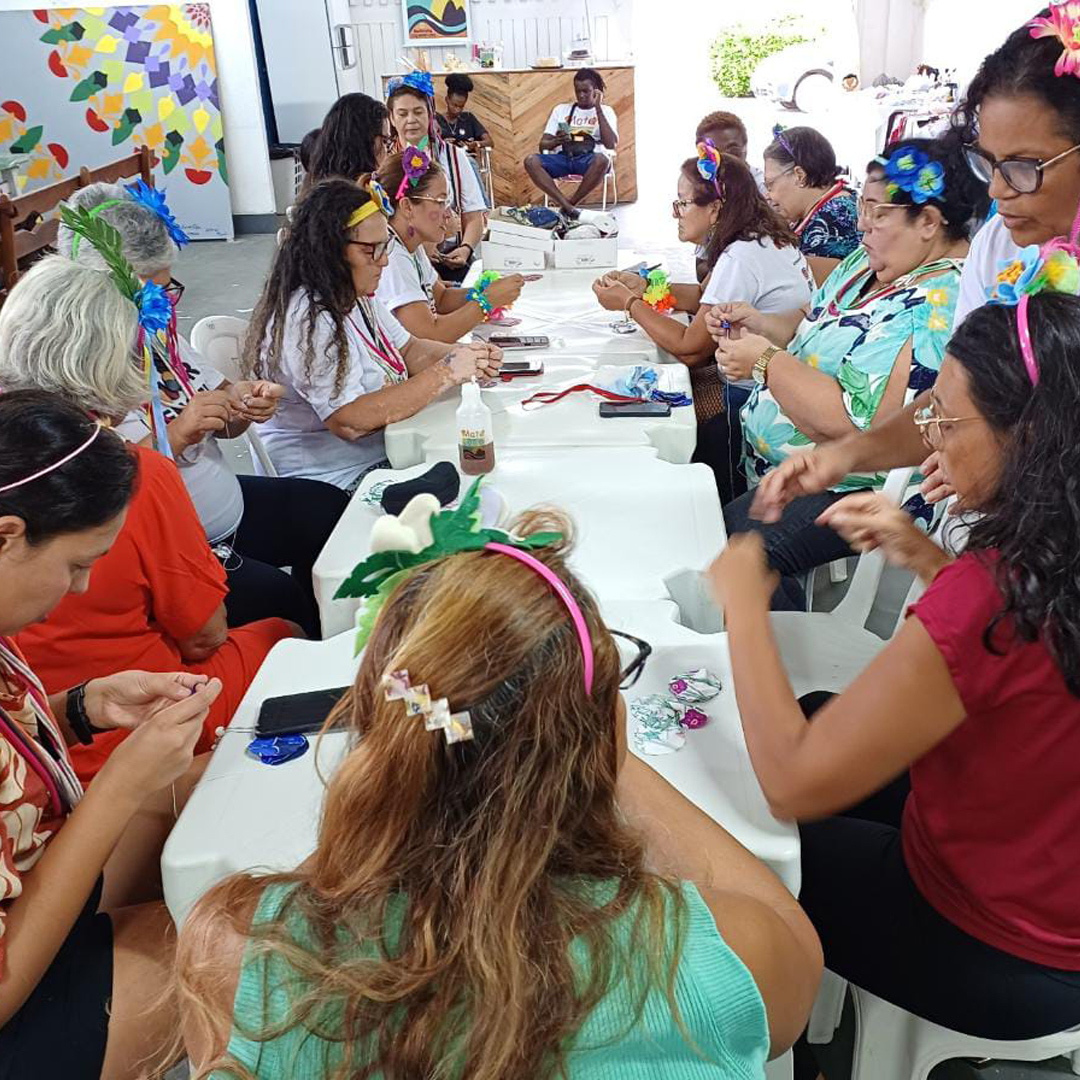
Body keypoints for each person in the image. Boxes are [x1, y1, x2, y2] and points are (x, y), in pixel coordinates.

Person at [176, 506, 821, 1077]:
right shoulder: (708, 955)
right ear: (601, 730)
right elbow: (796, 957)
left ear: (381, 726)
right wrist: (599, 748)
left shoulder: (235, 953)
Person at [710, 290, 1080, 1079]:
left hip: (992, 945)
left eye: (947, 419)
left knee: (746, 845)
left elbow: (796, 783)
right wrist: (926, 560)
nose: (932, 441)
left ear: (1030, 438)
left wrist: (745, 601)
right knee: (810, 712)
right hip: (1053, 896)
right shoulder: (1053, 558)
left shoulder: (993, 589)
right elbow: (1030, 664)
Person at [751, 7, 1080, 525]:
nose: (995, 191)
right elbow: (950, 396)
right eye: (988, 164)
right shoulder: (1000, 246)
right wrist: (845, 457)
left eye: (1022, 168)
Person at [0, 258, 297, 782]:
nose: (80, 583)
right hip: (129, 718)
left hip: (62, 712)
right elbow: (203, 637)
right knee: (284, 631)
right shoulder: (130, 473)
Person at [0, 389, 224, 1080]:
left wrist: (82, 709)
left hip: (34, 873)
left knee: (210, 782)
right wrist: (120, 784)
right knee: (242, 944)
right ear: (7, 535)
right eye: (75, 564)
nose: (83, 585)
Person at [58, 181, 350, 639]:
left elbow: (225, 412)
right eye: (150, 294)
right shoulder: (73, 376)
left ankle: (322, 641)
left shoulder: (157, 337)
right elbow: (107, 491)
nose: (163, 308)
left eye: (166, 288)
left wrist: (244, 405)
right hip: (175, 544)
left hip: (223, 512)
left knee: (328, 509)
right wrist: (177, 436)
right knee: (280, 600)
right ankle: (296, 669)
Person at [710, 136, 980, 609]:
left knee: (741, 549)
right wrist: (759, 324)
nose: (862, 225)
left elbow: (856, 425)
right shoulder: (868, 262)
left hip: (854, 484)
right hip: (799, 465)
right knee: (699, 480)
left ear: (929, 223)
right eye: (862, 205)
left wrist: (765, 363)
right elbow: (809, 322)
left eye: (877, 212)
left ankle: (781, 673)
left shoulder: (937, 303)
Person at [247, 178, 502, 491]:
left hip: (382, 453)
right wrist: (445, 373)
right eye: (372, 250)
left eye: (385, 246)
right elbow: (350, 420)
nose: (383, 260)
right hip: (331, 480)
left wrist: (465, 357)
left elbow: (409, 350)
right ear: (330, 250)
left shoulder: (355, 295)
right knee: (474, 484)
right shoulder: (307, 318)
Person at [591, 150, 810, 484]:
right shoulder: (758, 238)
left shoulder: (741, 256)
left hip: (754, 395)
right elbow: (704, 297)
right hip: (772, 379)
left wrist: (631, 304)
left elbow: (690, 348)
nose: (675, 213)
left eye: (683, 203)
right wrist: (647, 285)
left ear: (716, 209)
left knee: (660, 416)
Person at [375, 150, 524, 343]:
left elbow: (442, 298)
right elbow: (431, 334)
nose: (448, 213)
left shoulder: (411, 247)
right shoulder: (392, 258)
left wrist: (483, 292)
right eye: (440, 201)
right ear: (408, 207)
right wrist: (486, 301)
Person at [387, 70, 487, 282]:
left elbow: (473, 216)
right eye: (402, 114)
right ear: (392, 118)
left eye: (418, 112)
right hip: (400, 266)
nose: (411, 120)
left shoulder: (453, 157)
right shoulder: (386, 162)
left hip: (449, 261)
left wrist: (466, 248)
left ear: (430, 113)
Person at [763, 125, 860, 284]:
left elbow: (813, 292)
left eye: (770, 185)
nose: (768, 196)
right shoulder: (826, 206)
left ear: (799, 175)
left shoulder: (834, 216)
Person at [524, 68, 618, 219]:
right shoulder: (562, 110)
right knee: (531, 161)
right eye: (578, 91)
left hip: (589, 160)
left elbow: (611, 144)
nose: (581, 95)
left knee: (603, 159)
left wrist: (598, 108)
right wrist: (557, 141)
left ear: (596, 91)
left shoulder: (606, 111)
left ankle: (569, 205)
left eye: (586, 91)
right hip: (565, 157)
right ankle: (568, 206)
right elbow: (543, 145)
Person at [304, 92, 392, 189]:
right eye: (384, 141)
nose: (388, 152)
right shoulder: (358, 197)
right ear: (363, 143)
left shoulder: (317, 185)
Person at [437, 72, 492, 151]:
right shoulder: (438, 120)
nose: (457, 110)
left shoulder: (468, 118)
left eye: (461, 106)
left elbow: (489, 142)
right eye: (455, 105)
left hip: (468, 160)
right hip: (445, 160)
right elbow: (429, 143)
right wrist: (442, 143)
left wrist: (476, 144)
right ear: (447, 100)